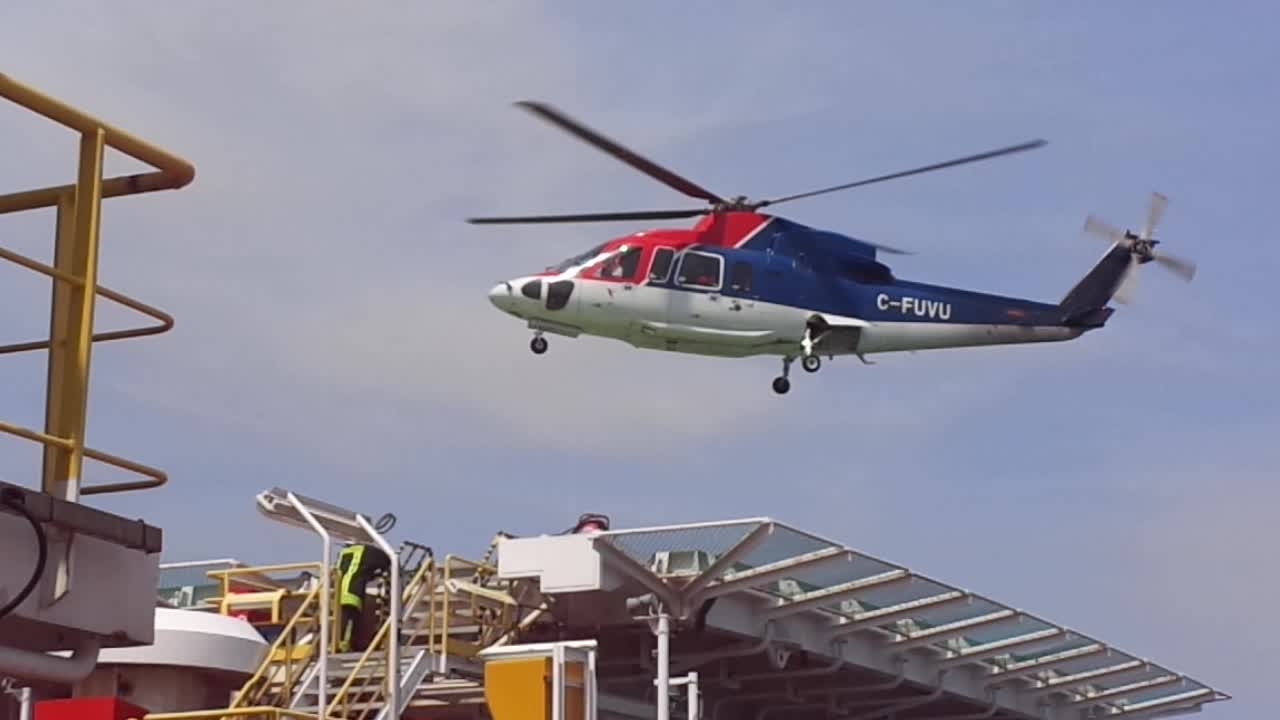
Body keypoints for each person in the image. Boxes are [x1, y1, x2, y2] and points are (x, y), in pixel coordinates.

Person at [336, 542, 391, 653]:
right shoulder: (368, 552)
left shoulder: (344, 554)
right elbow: (386, 561)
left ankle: (343, 642)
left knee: (342, 620)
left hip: (339, 591)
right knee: (350, 620)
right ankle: (344, 644)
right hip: (352, 593)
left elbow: (361, 572)